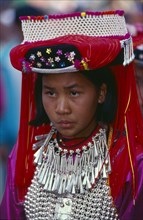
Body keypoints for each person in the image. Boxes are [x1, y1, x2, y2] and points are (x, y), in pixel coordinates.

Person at [0, 10, 143, 220]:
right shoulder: (25, 157)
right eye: (50, 93)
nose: (61, 108)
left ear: (101, 92)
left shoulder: (129, 163)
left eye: (74, 92)